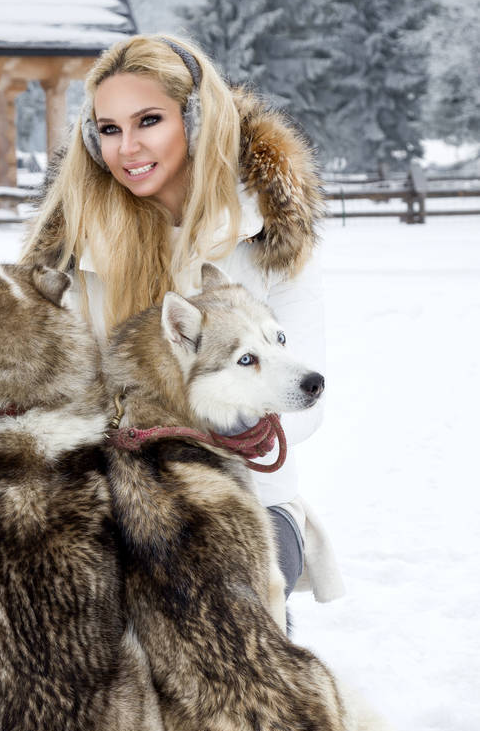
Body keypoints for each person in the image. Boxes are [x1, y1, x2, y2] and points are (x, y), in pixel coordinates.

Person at [20, 34, 344, 605]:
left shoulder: (268, 236)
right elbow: (57, 399)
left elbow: (300, 395)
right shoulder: (79, 254)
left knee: (211, 607)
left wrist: (203, 441)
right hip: (116, 504)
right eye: (110, 129)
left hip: (250, 499)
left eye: (149, 120)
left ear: (195, 120)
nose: (127, 147)